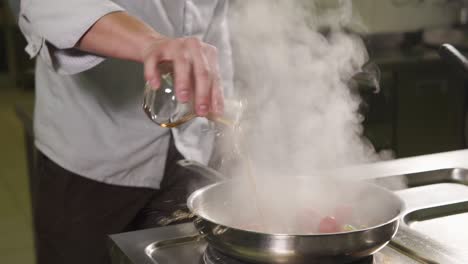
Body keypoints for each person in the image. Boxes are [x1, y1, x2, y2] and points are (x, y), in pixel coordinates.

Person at [18, 0, 233, 263]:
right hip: (93, 157)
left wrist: (227, 111)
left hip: (190, 151)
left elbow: (213, 28)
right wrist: (152, 44)